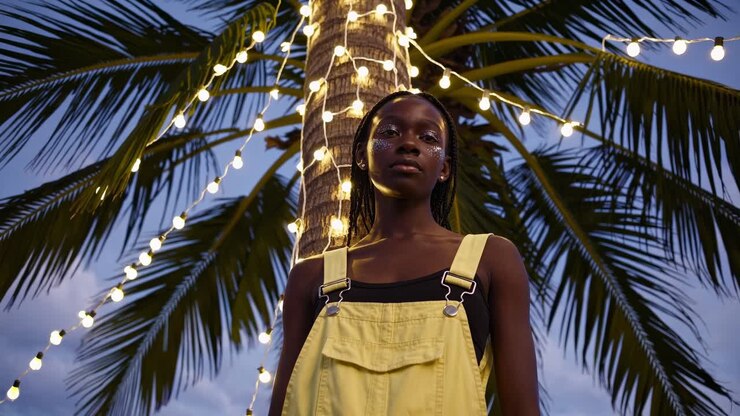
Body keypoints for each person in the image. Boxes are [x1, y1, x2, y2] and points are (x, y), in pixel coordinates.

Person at [268, 90, 540, 415]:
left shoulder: (491, 258)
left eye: (428, 137)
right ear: (361, 155)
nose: (409, 144)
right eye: (390, 133)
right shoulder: (312, 276)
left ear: (444, 169)